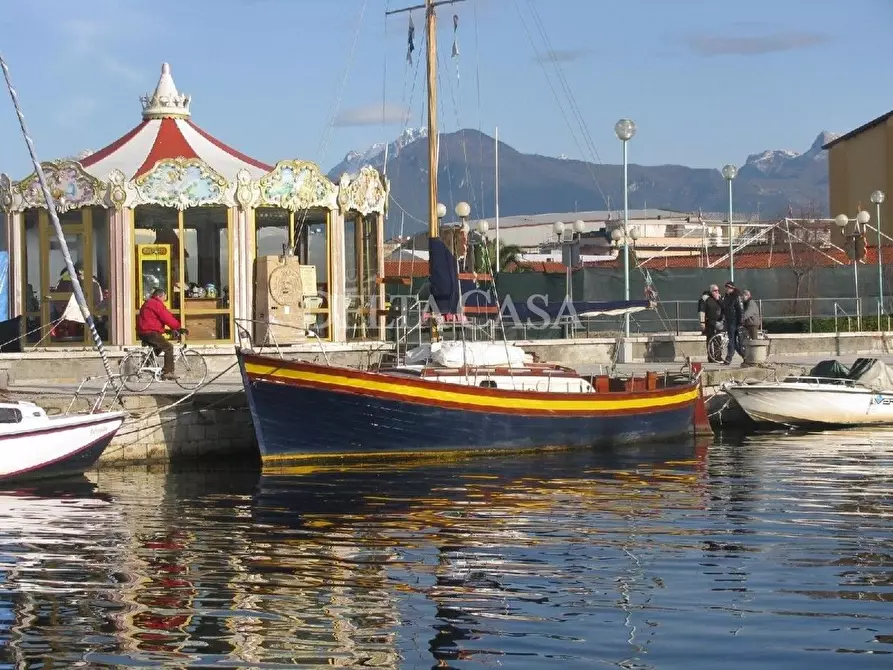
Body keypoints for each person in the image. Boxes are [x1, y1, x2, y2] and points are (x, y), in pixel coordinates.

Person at [136, 288, 185, 380]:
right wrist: (178, 327)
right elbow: (166, 317)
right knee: (169, 347)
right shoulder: (156, 303)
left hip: (144, 332)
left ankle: (148, 362)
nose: (165, 299)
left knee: (159, 346)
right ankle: (168, 372)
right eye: (164, 297)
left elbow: (153, 322)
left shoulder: (148, 303)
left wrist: (168, 331)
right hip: (149, 332)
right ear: (159, 296)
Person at [697, 284, 724, 362]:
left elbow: (724, 307)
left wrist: (719, 299)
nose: (717, 292)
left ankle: (718, 356)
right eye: (715, 290)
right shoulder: (705, 298)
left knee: (718, 339)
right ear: (711, 291)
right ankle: (710, 356)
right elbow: (701, 311)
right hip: (709, 322)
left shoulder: (720, 297)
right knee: (710, 339)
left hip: (719, 322)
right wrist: (702, 323)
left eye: (718, 290)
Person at [721, 280, 745, 365]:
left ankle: (729, 358)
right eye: (726, 288)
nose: (726, 289)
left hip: (735, 321)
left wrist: (741, 321)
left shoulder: (737, 297)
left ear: (732, 288)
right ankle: (744, 356)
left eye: (728, 288)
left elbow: (740, 309)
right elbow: (725, 308)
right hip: (729, 320)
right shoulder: (727, 297)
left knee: (732, 340)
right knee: (733, 342)